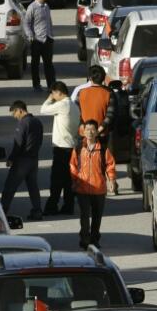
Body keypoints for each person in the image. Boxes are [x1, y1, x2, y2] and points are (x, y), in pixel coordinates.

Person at [70, 120, 117, 248]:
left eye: (92, 130)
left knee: (97, 217)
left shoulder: (103, 149)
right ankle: (85, 239)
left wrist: (111, 180)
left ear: (97, 132)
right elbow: (73, 165)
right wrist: (75, 181)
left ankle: (94, 239)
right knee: (84, 216)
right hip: (82, 189)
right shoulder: (79, 148)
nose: (90, 132)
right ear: (83, 132)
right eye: (87, 129)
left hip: (99, 189)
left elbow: (110, 165)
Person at [40, 81, 79, 215]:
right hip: (71, 146)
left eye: (53, 93)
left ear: (59, 92)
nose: (52, 95)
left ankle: (52, 206)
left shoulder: (62, 105)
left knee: (56, 179)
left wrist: (49, 99)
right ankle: (68, 206)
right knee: (68, 180)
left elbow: (43, 109)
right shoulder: (74, 105)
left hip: (61, 148)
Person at [1, 101, 44, 220]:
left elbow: (18, 144)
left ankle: (2, 212)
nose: (15, 117)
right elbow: (40, 140)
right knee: (33, 187)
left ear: (20, 110)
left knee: (9, 187)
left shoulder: (23, 123)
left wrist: (11, 159)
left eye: (14, 113)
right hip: (34, 159)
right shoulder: (37, 122)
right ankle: (37, 211)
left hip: (22, 160)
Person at [23, 0, 56, 91]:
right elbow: (26, 23)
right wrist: (31, 36)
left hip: (47, 39)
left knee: (49, 64)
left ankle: (51, 85)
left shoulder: (46, 7)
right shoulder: (32, 7)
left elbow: (49, 22)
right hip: (37, 41)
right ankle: (36, 84)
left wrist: (51, 36)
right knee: (35, 64)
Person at [76, 66, 116, 141]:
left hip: (84, 134)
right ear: (103, 78)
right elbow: (110, 115)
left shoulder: (81, 93)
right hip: (102, 134)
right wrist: (98, 131)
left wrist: (82, 126)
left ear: (90, 78)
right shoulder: (109, 93)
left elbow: (76, 112)